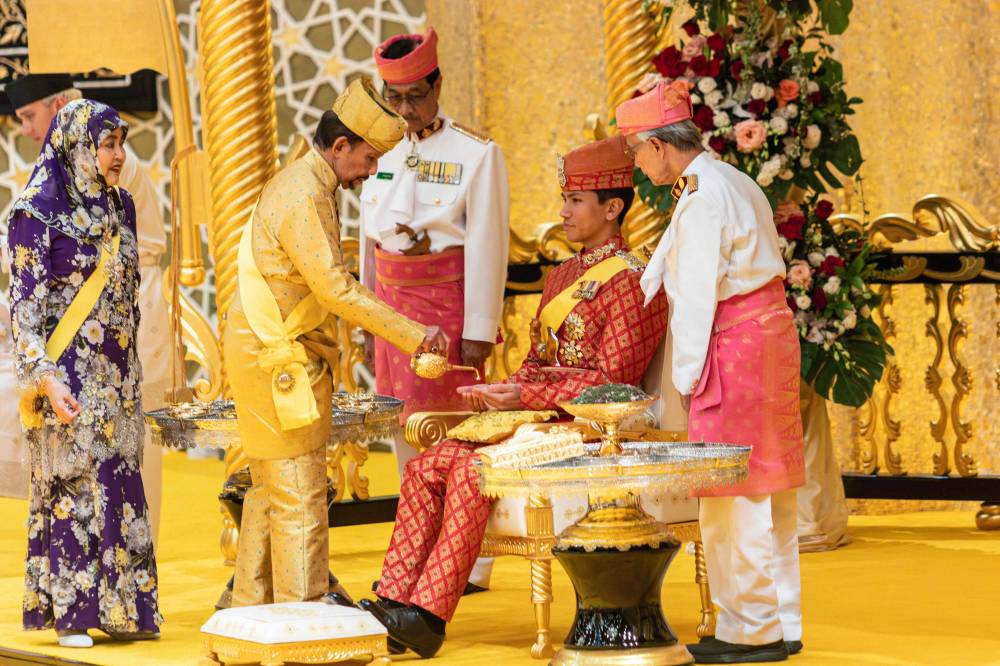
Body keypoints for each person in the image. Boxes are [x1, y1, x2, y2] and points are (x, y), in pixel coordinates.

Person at [357, 135, 668, 659]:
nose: (563, 212)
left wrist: (523, 392)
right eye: (564, 199)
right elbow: (537, 360)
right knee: (426, 467)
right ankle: (394, 599)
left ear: (612, 207)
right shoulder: (565, 274)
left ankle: (429, 614)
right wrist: (505, 389)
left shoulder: (634, 283)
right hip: (534, 419)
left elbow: (613, 383)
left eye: (575, 201)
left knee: (470, 472)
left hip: (590, 429)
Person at [223, 76, 448, 608]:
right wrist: (414, 336)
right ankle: (303, 632)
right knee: (299, 493)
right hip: (278, 354)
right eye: (369, 159)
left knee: (268, 490)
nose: (372, 173)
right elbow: (336, 289)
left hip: (272, 347)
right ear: (340, 145)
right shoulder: (305, 192)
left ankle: (248, 616)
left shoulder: (312, 182)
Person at [616, 81, 805, 664]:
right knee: (768, 488)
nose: (636, 166)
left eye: (636, 153)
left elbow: (696, 296)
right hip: (767, 337)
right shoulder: (731, 179)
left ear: (658, 147)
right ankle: (781, 617)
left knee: (732, 491)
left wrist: (685, 378)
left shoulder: (699, 196)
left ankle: (749, 628)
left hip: (732, 344)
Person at [8, 99, 162, 648]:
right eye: (107, 144)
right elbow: (23, 316)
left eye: (121, 143)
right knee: (74, 487)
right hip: (67, 376)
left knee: (119, 483)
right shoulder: (35, 210)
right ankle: (73, 615)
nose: (118, 156)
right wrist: (46, 381)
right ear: (77, 144)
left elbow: (127, 295)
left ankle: (123, 610)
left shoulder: (121, 206)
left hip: (118, 379)